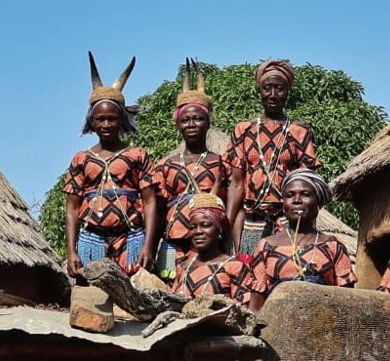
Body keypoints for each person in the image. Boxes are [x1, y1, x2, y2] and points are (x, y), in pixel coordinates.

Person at [65, 53, 154, 274]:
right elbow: (72, 208)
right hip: (91, 240)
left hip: (131, 239)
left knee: (132, 301)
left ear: (122, 119)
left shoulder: (137, 155)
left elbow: (150, 203)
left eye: (112, 118)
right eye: (100, 119)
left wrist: (148, 246)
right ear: (91, 122)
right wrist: (71, 251)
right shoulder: (81, 158)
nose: (106, 124)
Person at [146, 63, 236, 277]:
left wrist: (230, 237)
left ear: (208, 122)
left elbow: (232, 203)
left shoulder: (222, 163)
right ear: (178, 124)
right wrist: (150, 247)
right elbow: (158, 210)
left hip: (210, 243)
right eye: (185, 120)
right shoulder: (165, 165)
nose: (192, 124)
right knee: (170, 287)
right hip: (173, 241)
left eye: (198, 118)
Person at [227, 59, 319, 254]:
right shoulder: (243, 130)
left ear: (288, 92)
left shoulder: (298, 131)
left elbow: (307, 183)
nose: (273, 95)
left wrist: (308, 225)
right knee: (250, 271)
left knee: (287, 271)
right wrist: (227, 224)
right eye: (267, 88)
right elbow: (236, 183)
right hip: (251, 218)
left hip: (289, 218)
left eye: (280, 88)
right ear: (259, 91)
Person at [243, 171, 356, 310]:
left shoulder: (333, 245)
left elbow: (347, 302)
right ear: (283, 204)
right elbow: (256, 306)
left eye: (305, 194)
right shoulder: (266, 246)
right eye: (290, 195)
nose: (297, 200)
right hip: (276, 326)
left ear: (318, 203)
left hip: (324, 326)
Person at [168, 195, 257, 304]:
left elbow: (243, 311)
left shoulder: (234, 267)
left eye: (205, 225)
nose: (198, 231)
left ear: (220, 230)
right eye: (193, 227)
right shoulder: (185, 267)